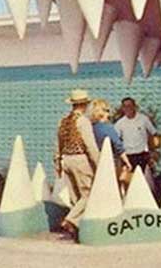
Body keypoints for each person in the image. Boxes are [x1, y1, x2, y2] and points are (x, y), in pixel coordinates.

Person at [53, 89, 100, 240]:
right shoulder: (83, 122)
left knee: (75, 197)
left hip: (65, 159)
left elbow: (57, 144)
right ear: (84, 105)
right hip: (80, 159)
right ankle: (71, 220)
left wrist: (57, 162)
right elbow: (90, 145)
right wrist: (99, 164)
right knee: (88, 194)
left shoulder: (64, 121)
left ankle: (76, 230)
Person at [114, 97, 158, 174]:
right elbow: (116, 140)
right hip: (128, 155)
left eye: (130, 105)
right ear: (123, 108)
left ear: (134, 106)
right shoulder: (120, 123)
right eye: (125, 106)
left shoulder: (143, 119)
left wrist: (153, 152)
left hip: (142, 155)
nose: (128, 108)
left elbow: (153, 134)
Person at [89, 98, 132, 175]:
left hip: (93, 163)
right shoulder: (108, 128)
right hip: (109, 162)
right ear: (103, 112)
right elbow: (118, 145)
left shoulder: (90, 128)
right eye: (107, 111)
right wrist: (127, 162)